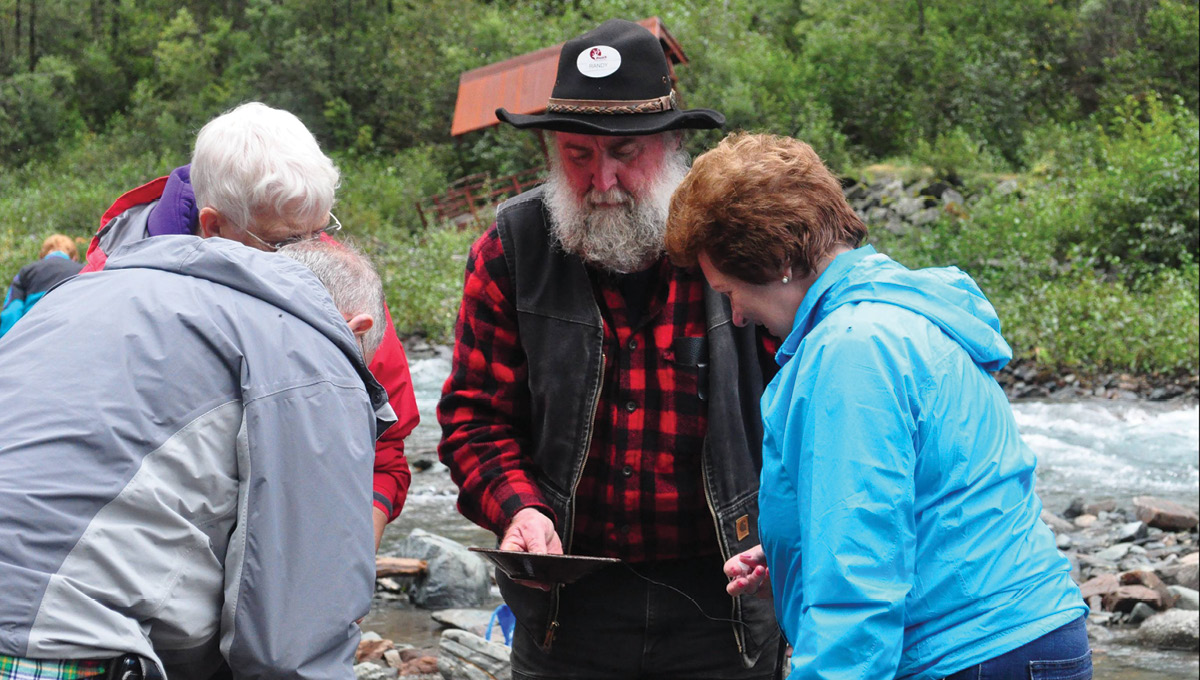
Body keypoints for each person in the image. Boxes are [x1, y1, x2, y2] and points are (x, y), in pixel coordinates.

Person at [665, 132, 1092, 679]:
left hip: (967, 654)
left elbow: (857, 588)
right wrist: (798, 545)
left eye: (729, 291)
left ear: (777, 262)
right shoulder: (907, 312)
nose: (738, 315)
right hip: (1035, 636)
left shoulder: (850, 352)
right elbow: (927, 498)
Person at [437, 19, 780, 679]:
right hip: (565, 606)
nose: (602, 180)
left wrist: (790, 535)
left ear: (674, 142)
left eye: (626, 152)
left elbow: (810, 407)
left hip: (728, 600)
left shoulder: (736, 242)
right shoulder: (513, 250)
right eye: (578, 155)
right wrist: (519, 508)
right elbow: (475, 417)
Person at [0, 236, 393, 679]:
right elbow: (289, 645)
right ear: (355, 327)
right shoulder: (310, 349)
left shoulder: (87, 291)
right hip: (54, 644)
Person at [83, 102, 418, 549]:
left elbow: (384, 453)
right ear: (213, 226)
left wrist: (349, 567)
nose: (310, 258)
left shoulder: (335, 276)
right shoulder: (107, 292)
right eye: (286, 243)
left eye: (318, 231)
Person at [0, 234, 84, 337]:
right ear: (74, 257)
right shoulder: (84, 272)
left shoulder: (26, 272)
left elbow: (12, 311)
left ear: (42, 256)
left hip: (32, 336)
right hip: (72, 336)